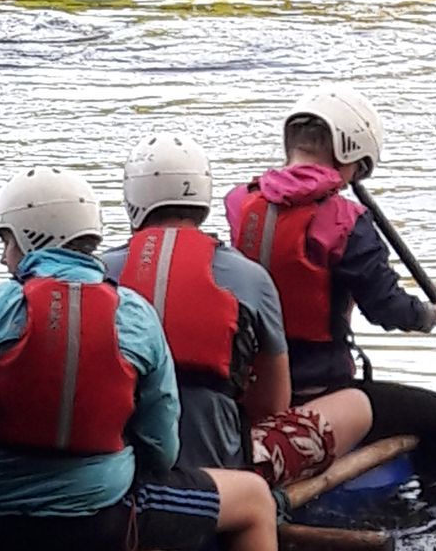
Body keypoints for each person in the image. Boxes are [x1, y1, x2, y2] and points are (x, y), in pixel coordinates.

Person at [0, 168, 281, 551]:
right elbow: (162, 444)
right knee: (255, 498)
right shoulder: (135, 314)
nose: (4, 257)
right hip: (99, 525)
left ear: (30, 237)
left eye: (7, 241)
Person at [226, 84, 436, 477]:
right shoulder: (346, 222)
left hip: (248, 383)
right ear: (350, 154)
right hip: (321, 391)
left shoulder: (241, 204)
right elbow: (388, 309)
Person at [106, 132, 372, 480]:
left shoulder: (98, 275)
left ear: (132, 196)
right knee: (357, 405)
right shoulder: (249, 277)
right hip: (224, 469)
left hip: (119, 462)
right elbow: (273, 406)